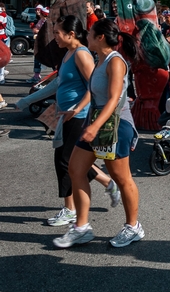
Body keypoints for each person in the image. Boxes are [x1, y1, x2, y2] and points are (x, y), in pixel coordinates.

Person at [53, 19, 143, 249]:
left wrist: (94, 127)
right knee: (75, 169)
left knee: (122, 179)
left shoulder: (115, 61)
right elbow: (94, 95)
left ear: (101, 37)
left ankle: (133, 227)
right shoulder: (99, 60)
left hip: (116, 126)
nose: (87, 36)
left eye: (91, 33)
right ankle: (81, 228)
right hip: (94, 123)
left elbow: (113, 99)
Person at [47, 16, 121, 227]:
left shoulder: (82, 54)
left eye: (57, 33)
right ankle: (106, 184)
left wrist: (77, 109)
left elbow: (93, 86)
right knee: (67, 161)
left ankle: (72, 211)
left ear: (71, 34)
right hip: (65, 115)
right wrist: (27, 101)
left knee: (66, 162)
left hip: (79, 116)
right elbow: (59, 84)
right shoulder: (67, 54)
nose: (55, 38)